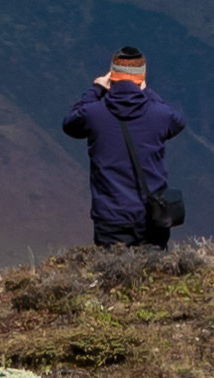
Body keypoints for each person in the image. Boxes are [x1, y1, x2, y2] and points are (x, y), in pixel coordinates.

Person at [64, 45, 187, 250]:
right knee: (155, 276)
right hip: (152, 216)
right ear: (142, 78)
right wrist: (146, 91)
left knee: (113, 275)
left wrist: (97, 89)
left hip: (110, 218)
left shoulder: (94, 114)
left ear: (111, 76)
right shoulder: (159, 115)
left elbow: (70, 123)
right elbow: (177, 121)